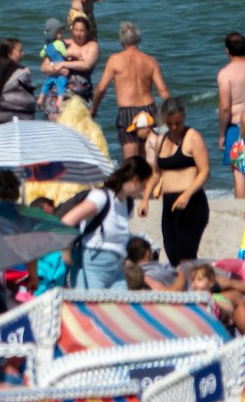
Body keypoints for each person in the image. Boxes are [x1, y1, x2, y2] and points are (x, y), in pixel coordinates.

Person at [62, 157, 154, 289]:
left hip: (117, 266)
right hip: (95, 263)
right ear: (135, 180)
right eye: (144, 185)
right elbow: (68, 220)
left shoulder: (127, 203)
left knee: (120, 306)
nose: (144, 190)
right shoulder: (101, 197)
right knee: (94, 307)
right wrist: (66, 251)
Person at [142, 96, 210, 265]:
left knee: (186, 256)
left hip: (192, 203)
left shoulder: (192, 137)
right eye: (170, 123)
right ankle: (185, 290)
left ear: (183, 117)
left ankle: (192, 289)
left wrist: (187, 194)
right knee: (172, 253)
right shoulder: (160, 140)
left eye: (178, 123)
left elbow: (204, 171)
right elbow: (157, 173)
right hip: (169, 205)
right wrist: (145, 199)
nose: (174, 127)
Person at [92, 21, 170, 160]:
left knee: (131, 163)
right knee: (149, 162)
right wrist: (171, 111)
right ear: (138, 40)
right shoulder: (150, 61)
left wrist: (94, 108)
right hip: (149, 111)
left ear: (122, 41)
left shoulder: (115, 60)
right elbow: (163, 90)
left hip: (128, 112)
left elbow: (101, 88)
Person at [218, 32, 245, 198]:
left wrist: (221, 134)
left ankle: (243, 215)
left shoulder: (225, 74)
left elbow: (225, 108)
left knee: (239, 173)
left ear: (227, 51)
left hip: (236, 127)